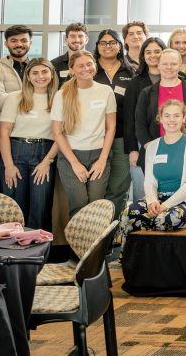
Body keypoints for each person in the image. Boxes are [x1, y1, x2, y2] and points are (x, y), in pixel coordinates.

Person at [51, 50, 117, 218]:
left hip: (99, 154)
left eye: (89, 64)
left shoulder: (106, 91)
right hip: (71, 156)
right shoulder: (62, 94)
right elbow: (57, 133)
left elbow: (111, 127)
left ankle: (98, 246)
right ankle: (78, 245)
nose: (86, 68)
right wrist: (74, 163)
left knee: (96, 205)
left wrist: (102, 160)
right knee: (79, 205)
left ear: (95, 66)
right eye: (80, 65)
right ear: (72, 69)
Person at [0, 57, 58, 229]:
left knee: (41, 208)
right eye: (35, 73)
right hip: (16, 153)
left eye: (45, 71)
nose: (41, 76)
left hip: (44, 154)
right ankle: (13, 253)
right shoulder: (15, 98)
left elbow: (61, 135)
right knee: (15, 208)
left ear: (52, 74)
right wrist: (9, 165)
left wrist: (47, 162)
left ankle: (38, 253)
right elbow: (4, 132)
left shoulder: (58, 99)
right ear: (28, 76)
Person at [126, 99, 186, 234]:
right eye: (167, 116)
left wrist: (164, 206)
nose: (171, 120)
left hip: (184, 201)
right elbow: (149, 181)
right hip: (157, 199)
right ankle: (128, 255)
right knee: (130, 213)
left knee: (166, 219)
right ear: (160, 118)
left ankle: (158, 254)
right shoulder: (152, 147)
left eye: (176, 115)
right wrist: (152, 202)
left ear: (183, 118)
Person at [0, 25, 33, 197]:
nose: (19, 44)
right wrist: (32, 100)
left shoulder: (37, 69)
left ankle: (25, 226)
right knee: (2, 191)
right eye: (14, 41)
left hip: (28, 137)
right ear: (6, 44)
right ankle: (3, 225)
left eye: (23, 40)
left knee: (26, 193)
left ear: (30, 43)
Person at [91, 29, 136, 218]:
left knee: (118, 188)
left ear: (120, 46)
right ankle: (93, 234)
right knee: (95, 190)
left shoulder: (131, 71)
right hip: (93, 140)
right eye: (103, 42)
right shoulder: (89, 69)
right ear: (97, 46)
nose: (107, 46)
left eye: (112, 42)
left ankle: (112, 236)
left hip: (121, 139)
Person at [134, 49, 186, 154]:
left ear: (180, 65)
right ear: (158, 65)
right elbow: (140, 124)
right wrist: (150, 146)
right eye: (164, 64)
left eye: (173, 63)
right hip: (155, 151)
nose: (169, 67)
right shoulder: (146, 93)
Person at [124, 36, 166, 194]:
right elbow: (129, 119)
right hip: (142, 143)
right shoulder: (135, 83)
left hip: (169, 141)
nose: (153, 55)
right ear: (143, 56)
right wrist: (133, 149)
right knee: (142, 192)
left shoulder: (178, 79)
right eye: (148, 52)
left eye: (157, 51)